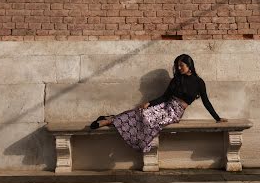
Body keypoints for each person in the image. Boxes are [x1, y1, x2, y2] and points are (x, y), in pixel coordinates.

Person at [90, 53, 227, 153]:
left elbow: (206, 101)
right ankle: (109, 120)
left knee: (150, 120)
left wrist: (217, 118)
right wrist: (149, 103)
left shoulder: (199, 82)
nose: (179, 68)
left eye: (181, 65)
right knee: (141, 112)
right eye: (177, 66)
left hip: (175, 113)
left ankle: (111, 120)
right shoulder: (176, 80)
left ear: (189, 65)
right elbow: (165, 97)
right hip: (165, 106)